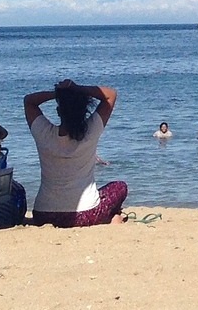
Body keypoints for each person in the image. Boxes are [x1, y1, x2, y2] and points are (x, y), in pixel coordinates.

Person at [23, 79, 126, 227]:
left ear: (58, 111)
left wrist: (59, 94)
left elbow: (29, 101)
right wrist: (77, 89)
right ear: (84, 111)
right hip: (84, 215)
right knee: (120, 186)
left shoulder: (44, 133)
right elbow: (110, 95)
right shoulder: (91, 131)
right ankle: (113, 217)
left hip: (43, 214)